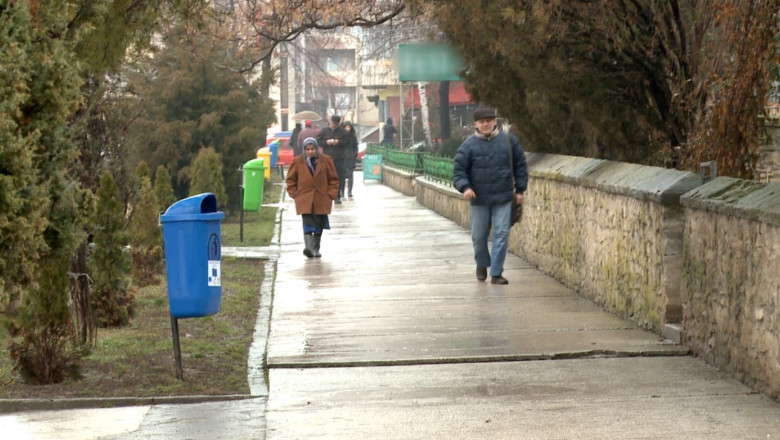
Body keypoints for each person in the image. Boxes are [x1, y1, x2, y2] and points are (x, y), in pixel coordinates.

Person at [453, 107, 528, 285]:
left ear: (495, 121)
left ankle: (496, 273)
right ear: (476, 124)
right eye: (482, 121)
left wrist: (520, 190)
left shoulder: (509, 142)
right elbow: (459, 171)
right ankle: (482, 263)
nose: (485, 124)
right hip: (479, 199)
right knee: (478, 237)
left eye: (489, 120)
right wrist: (465, 188)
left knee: (501, 233)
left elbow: (520, 166)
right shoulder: (468, 146)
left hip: (503, 197)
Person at [286, 137, 340, 258]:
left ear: (316, 149)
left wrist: (331, 194)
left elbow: (333, 179)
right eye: (308, 149)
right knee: (307, 222)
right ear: (304, 149)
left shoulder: (326, 160)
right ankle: (308, 248)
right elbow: (290, 180)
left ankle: (315, 249)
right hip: (305, 198)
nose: (310, 151)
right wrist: (295, 194)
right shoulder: (297, 161)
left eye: (313, 149)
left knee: (319, 224)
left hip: (321, 198)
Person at [317, 115, 348, 204]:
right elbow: (318, 141)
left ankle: (337, 195)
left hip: (339, 157)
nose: (334, 125)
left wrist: (339, 142)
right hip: (327, 157)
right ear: (330, 122)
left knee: (338, 177)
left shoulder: (342, 132)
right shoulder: (324, 131)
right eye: (333, 123)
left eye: (336, 124)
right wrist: (326, 142)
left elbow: (347, 142)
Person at [341, 121, 359, 198]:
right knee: (342, 176)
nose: (347, 128)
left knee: (350, 175)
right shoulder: (341, 136)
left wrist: (354, 155)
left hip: (351, 158)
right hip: (343, 158)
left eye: (349, 127)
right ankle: (342, 191)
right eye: (346, 127)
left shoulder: (353, 136)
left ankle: (349, 192)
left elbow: (356, 146)